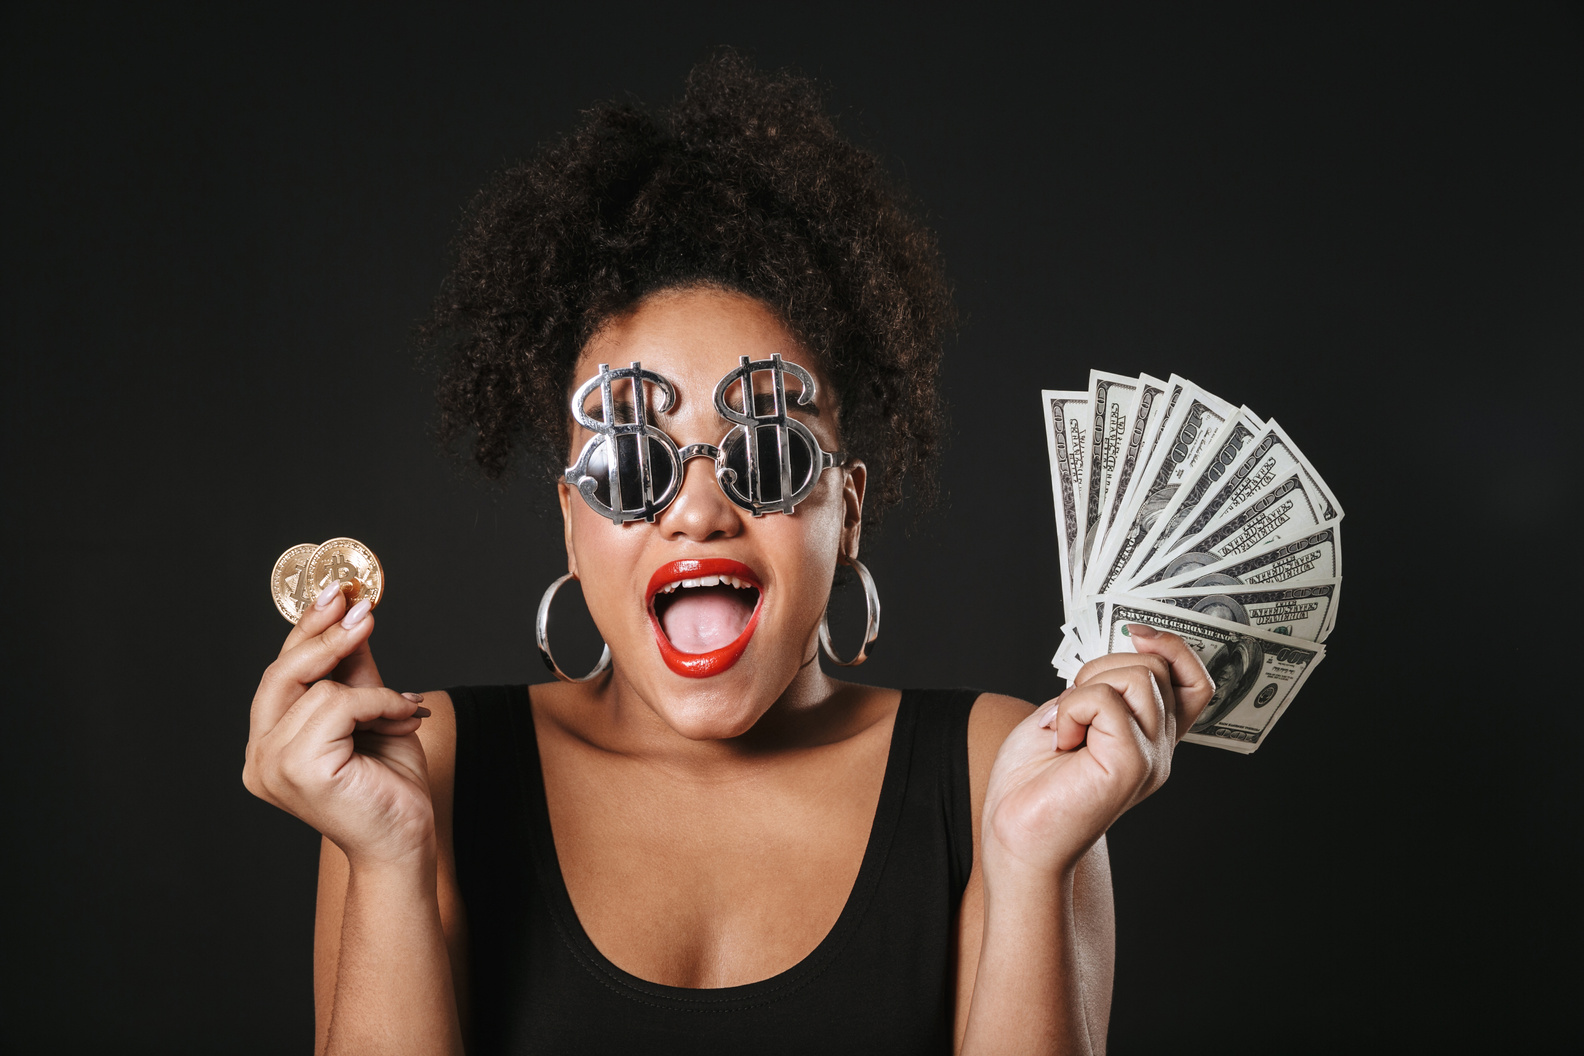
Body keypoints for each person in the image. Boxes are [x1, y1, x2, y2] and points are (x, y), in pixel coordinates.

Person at [243, 52, 1212, 1056]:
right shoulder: (419, 773)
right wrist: (389, 856)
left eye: (770, 453)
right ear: (571, 519)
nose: (698, 510)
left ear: (851, 507)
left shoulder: (1003, 774)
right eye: (630, 466)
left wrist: (1029, 856)